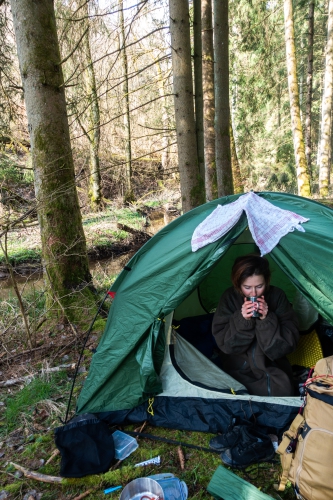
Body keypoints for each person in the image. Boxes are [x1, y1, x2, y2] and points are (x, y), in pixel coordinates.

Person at [212, 254, 299, 397]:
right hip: (238, 367)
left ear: (267, 281)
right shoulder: (229, 297)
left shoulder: (277, 296)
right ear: (237, 284)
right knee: (230, 393)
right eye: (247, 287)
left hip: (272, 366)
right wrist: (242, 320)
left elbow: (286, 346)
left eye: (259, 286)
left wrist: (266, 319)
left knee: (283, 391)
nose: (254, 293)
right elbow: (227, 346)